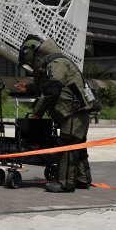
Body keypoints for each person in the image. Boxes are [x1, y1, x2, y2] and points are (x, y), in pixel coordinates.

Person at [19, 35, 96, 193]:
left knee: (67, 145)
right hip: (75, 113)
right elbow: (46, 83)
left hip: (74, 113)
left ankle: (65, 183)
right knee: (77, 147)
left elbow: (52, 91)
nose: (32, 67)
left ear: (35, 54)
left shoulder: (57, 63)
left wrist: (37, 113)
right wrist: (28, 88)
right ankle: (82, 179)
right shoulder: (54, 63)